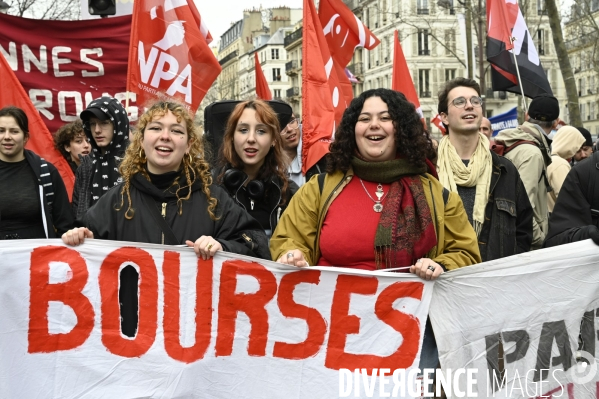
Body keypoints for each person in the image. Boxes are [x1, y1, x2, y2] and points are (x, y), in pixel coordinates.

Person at [271, 88, 481, 276]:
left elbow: (465, 253)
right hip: (332, 314)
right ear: (353, 130)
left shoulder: (437, 195)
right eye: (364, 119)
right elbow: (288, 239)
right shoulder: (318, 189)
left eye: (385, 118)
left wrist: (441, 265)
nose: (374, 125)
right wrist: (292, 256)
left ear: (402, 129)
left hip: (408, 314)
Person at [62, 100, 269, 258]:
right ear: (141, 140)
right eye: (156, 128)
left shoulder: (213, 199)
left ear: (188, 145)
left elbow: (256, 243)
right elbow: (82, 247)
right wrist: (80, 239)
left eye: (176, 130)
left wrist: (223, 246)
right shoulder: (116, 201)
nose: (165, 136)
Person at [436, 78, 532, 261]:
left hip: (493, 282)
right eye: (459, 102)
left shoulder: (505, 170)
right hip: (443, 280)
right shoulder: (429, 169)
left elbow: (524, 231)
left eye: (475, 101)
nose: (469, 106)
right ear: (444, 117)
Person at [216, 99, 299, 238]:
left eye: (261, 131)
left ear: (273, 139)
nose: (251, 138)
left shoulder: (289, 192)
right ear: (231, 136)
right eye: (243, 130)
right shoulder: (210, 187)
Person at [0, 105, 73, 239]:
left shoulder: (46, 173)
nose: (7, 137)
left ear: (26, 137)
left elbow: (65, 226)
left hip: (37, 257)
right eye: (1, 130)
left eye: (14, 131)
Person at [494, 94, 556, 249]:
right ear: (555, 123)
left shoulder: (512, 141)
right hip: (526, 244)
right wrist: (540, 239)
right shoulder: (532, 154)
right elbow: (523, 207)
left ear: (527, 116)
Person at [72, 96, 130, 219]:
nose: (97, 130)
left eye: (104, 123)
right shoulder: (86, 166)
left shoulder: (137, 162)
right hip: (91, 236)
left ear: (118, 124)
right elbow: (77, 210)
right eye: (92, 124)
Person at [544, 149, 599, 248]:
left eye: (586, 149)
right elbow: (556, 238)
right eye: (579, 150)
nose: (583, 154)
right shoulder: (583, 172)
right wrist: (585, 234)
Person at [547, 126, 586, 213]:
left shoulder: (548, 158)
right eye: (576, 147)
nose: (576, 151)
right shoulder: (560, 164)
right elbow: (568, 199)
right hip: (557, 218)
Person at [280, 111, 304, 187]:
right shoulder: (266, 168)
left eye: (291, 121)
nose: (289, 129)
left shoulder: (315, 161)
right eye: (282, 125)